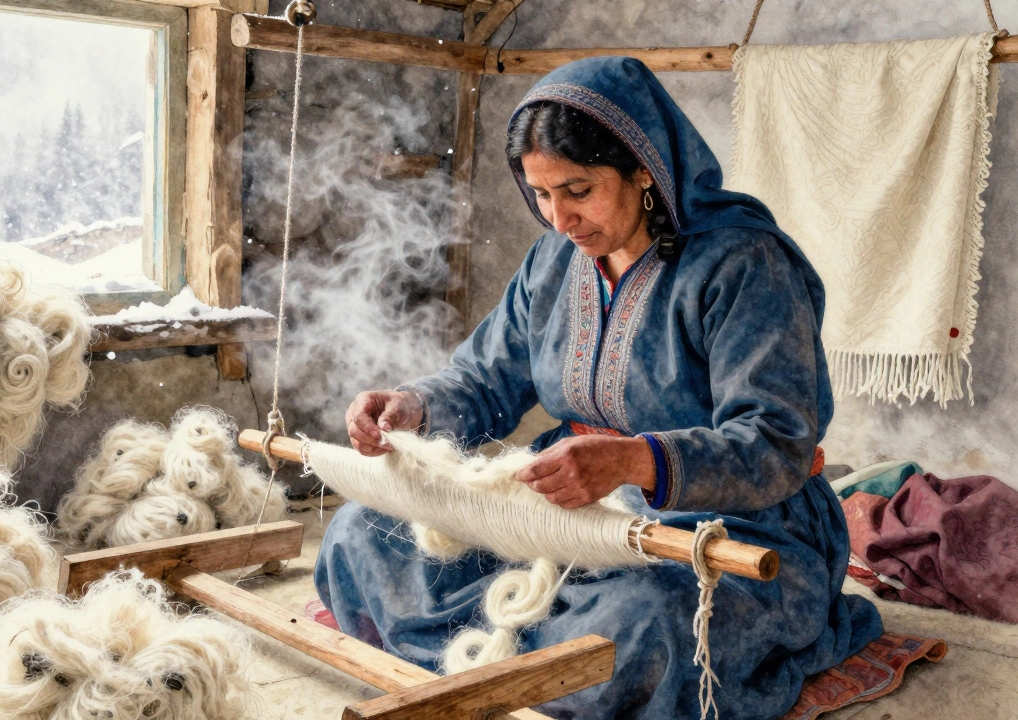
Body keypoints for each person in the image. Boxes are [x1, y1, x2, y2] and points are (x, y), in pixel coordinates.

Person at [314, 57, 883, 720]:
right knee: (364, 533)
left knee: (640, 629)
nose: (559, 219)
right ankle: (514, 663)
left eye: (578, 190)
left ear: (644, 169)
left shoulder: (743, 265)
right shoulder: (555, 261)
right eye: (542, 195)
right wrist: (417, 406)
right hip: (572, 504)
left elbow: (774, 443)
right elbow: (489, 374)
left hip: (734, 525)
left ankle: (524, 658)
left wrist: (635, 461)